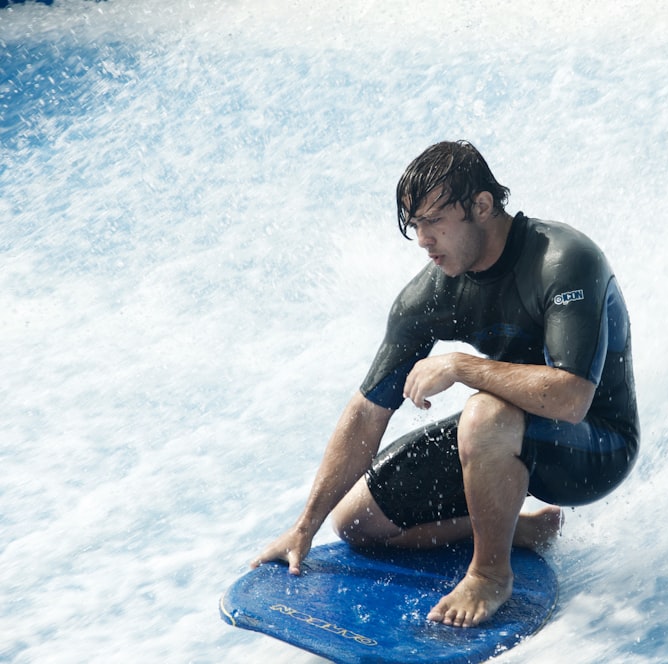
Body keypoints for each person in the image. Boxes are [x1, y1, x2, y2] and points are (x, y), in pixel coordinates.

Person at [252, 140, 639, 628]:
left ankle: (490, 574)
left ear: (481, 205)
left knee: (484, 412)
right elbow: (367, 411)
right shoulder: (431, 293)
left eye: (434, 221)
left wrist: (461, 366)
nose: (423, 240)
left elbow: (572, 397)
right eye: (415, 225)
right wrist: (304, 527)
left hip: (595, 448)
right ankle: (516, 528)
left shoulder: (563, 261)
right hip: (505, 438)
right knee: (356, 524)